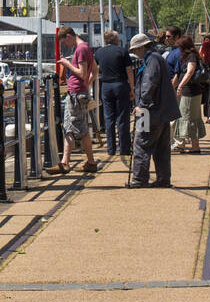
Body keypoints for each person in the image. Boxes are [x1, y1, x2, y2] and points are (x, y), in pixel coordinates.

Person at [129, 33, 179, 188]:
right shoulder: (157, 58)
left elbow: (149, 84)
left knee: (141, 143)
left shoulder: (151, 60)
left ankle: (139, 179)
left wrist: (141, 105)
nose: (135, 53)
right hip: (162, 111)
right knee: (161, 148)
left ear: (143, 47)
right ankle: (163, 178)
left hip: (150, 111)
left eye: (136, 49)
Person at [49, 26, 97, 174]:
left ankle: (87, 162)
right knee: (71, 128)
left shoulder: (81, 49)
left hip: (76, 93)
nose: (66, 45)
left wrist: (67, 64)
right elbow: (95, 69)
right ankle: (67, 162)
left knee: (80, 130)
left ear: (69, 36)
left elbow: (82, 73)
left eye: (65, 42)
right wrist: (88, 84)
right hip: (78, 92)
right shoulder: (86, 47)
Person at [95, 29, 135, 157]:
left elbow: (94, 70)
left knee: (109, 118)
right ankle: (124, 148)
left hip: (106, 86)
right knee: (122, 117)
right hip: (120, 84)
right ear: (115, 40)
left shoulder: (99, 52)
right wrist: (132, 88)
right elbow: (129, 70)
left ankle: (111, 149)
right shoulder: (122, 51)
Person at [172, 36, 206, 153]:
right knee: (192, 118)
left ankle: (195, 146)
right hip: (191, 92)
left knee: (188, 118)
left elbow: (190, 71)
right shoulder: (188, 56)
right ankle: (194, 146)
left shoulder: (191, 56)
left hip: (190, 92)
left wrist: (180, 85)